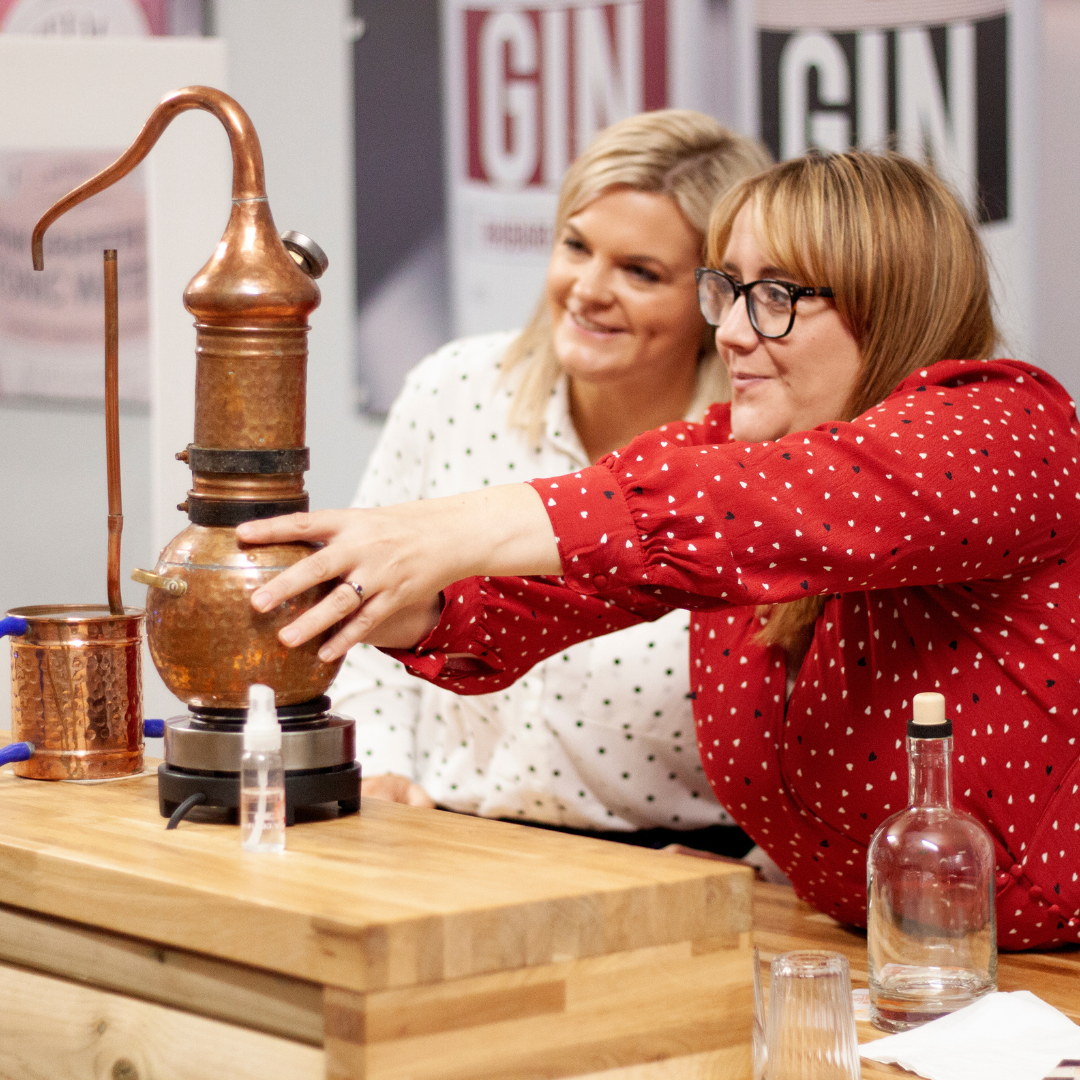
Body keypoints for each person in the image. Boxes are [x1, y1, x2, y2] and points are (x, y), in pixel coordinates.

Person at [239, 151, 1080, 950]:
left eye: (778, 295)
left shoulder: (1006, 426)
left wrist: (446, 529)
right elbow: (553, 593)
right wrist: (370, 592)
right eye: (729, 290)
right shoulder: (729, 458)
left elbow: (735, 509)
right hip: (870, 958)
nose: (737, 334)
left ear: (893, 302)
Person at [330, 110, 773, 856]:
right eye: (576, 246)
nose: (589, 289)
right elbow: (365, 619)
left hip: (677, 870)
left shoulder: (754, 462)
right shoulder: (452, 388)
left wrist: (758, 870)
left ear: (716, 299)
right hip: (443, 845)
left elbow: (814, 718)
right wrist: (378, 770)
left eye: (641, 272)